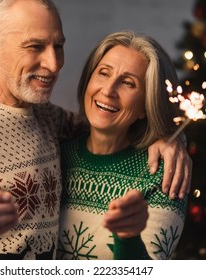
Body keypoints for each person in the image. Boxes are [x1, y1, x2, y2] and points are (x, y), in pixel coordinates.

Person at [0, 0, 190, 260]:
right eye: (35, 47)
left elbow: (109, 125)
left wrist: (168, 138)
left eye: (58, 46)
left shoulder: (47, 118)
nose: (54, 64)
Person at [57, 31, 187, 260]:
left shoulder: (162, 172)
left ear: (147, 105)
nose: (108, 90)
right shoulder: (56, 153)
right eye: (103, 73)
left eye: (128, 83)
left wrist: (128, 237)